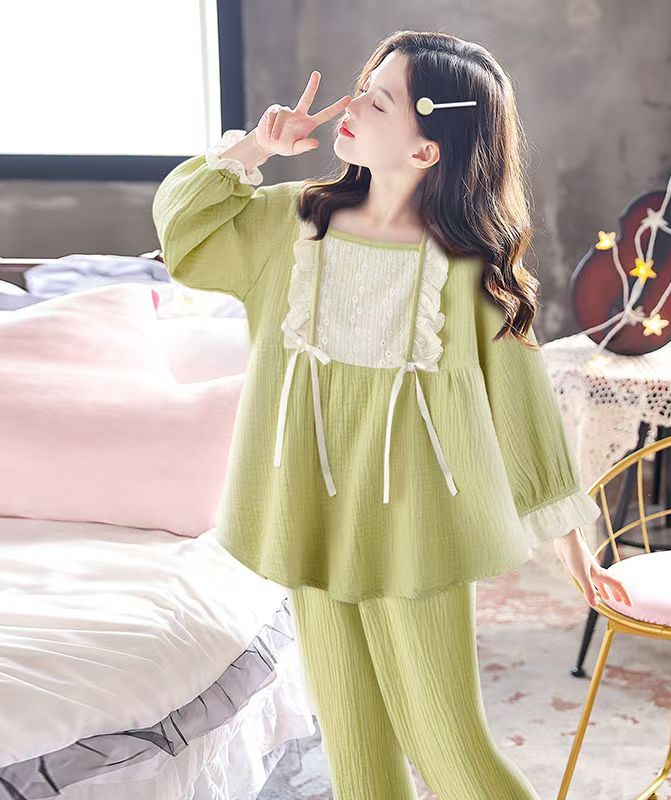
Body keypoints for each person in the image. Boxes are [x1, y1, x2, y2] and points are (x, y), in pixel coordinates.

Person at [153, 29, 631, 800]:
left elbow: (521, 403)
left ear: (426, 149)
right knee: (356, 752)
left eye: (379, 101)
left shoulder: (471, 269)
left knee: (450, 748)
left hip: (418, 529)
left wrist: (572, 540)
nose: (352, 105)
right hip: (310, 518)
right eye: (363, 86)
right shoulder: (289, 223)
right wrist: (253, 150)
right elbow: (183, 233)